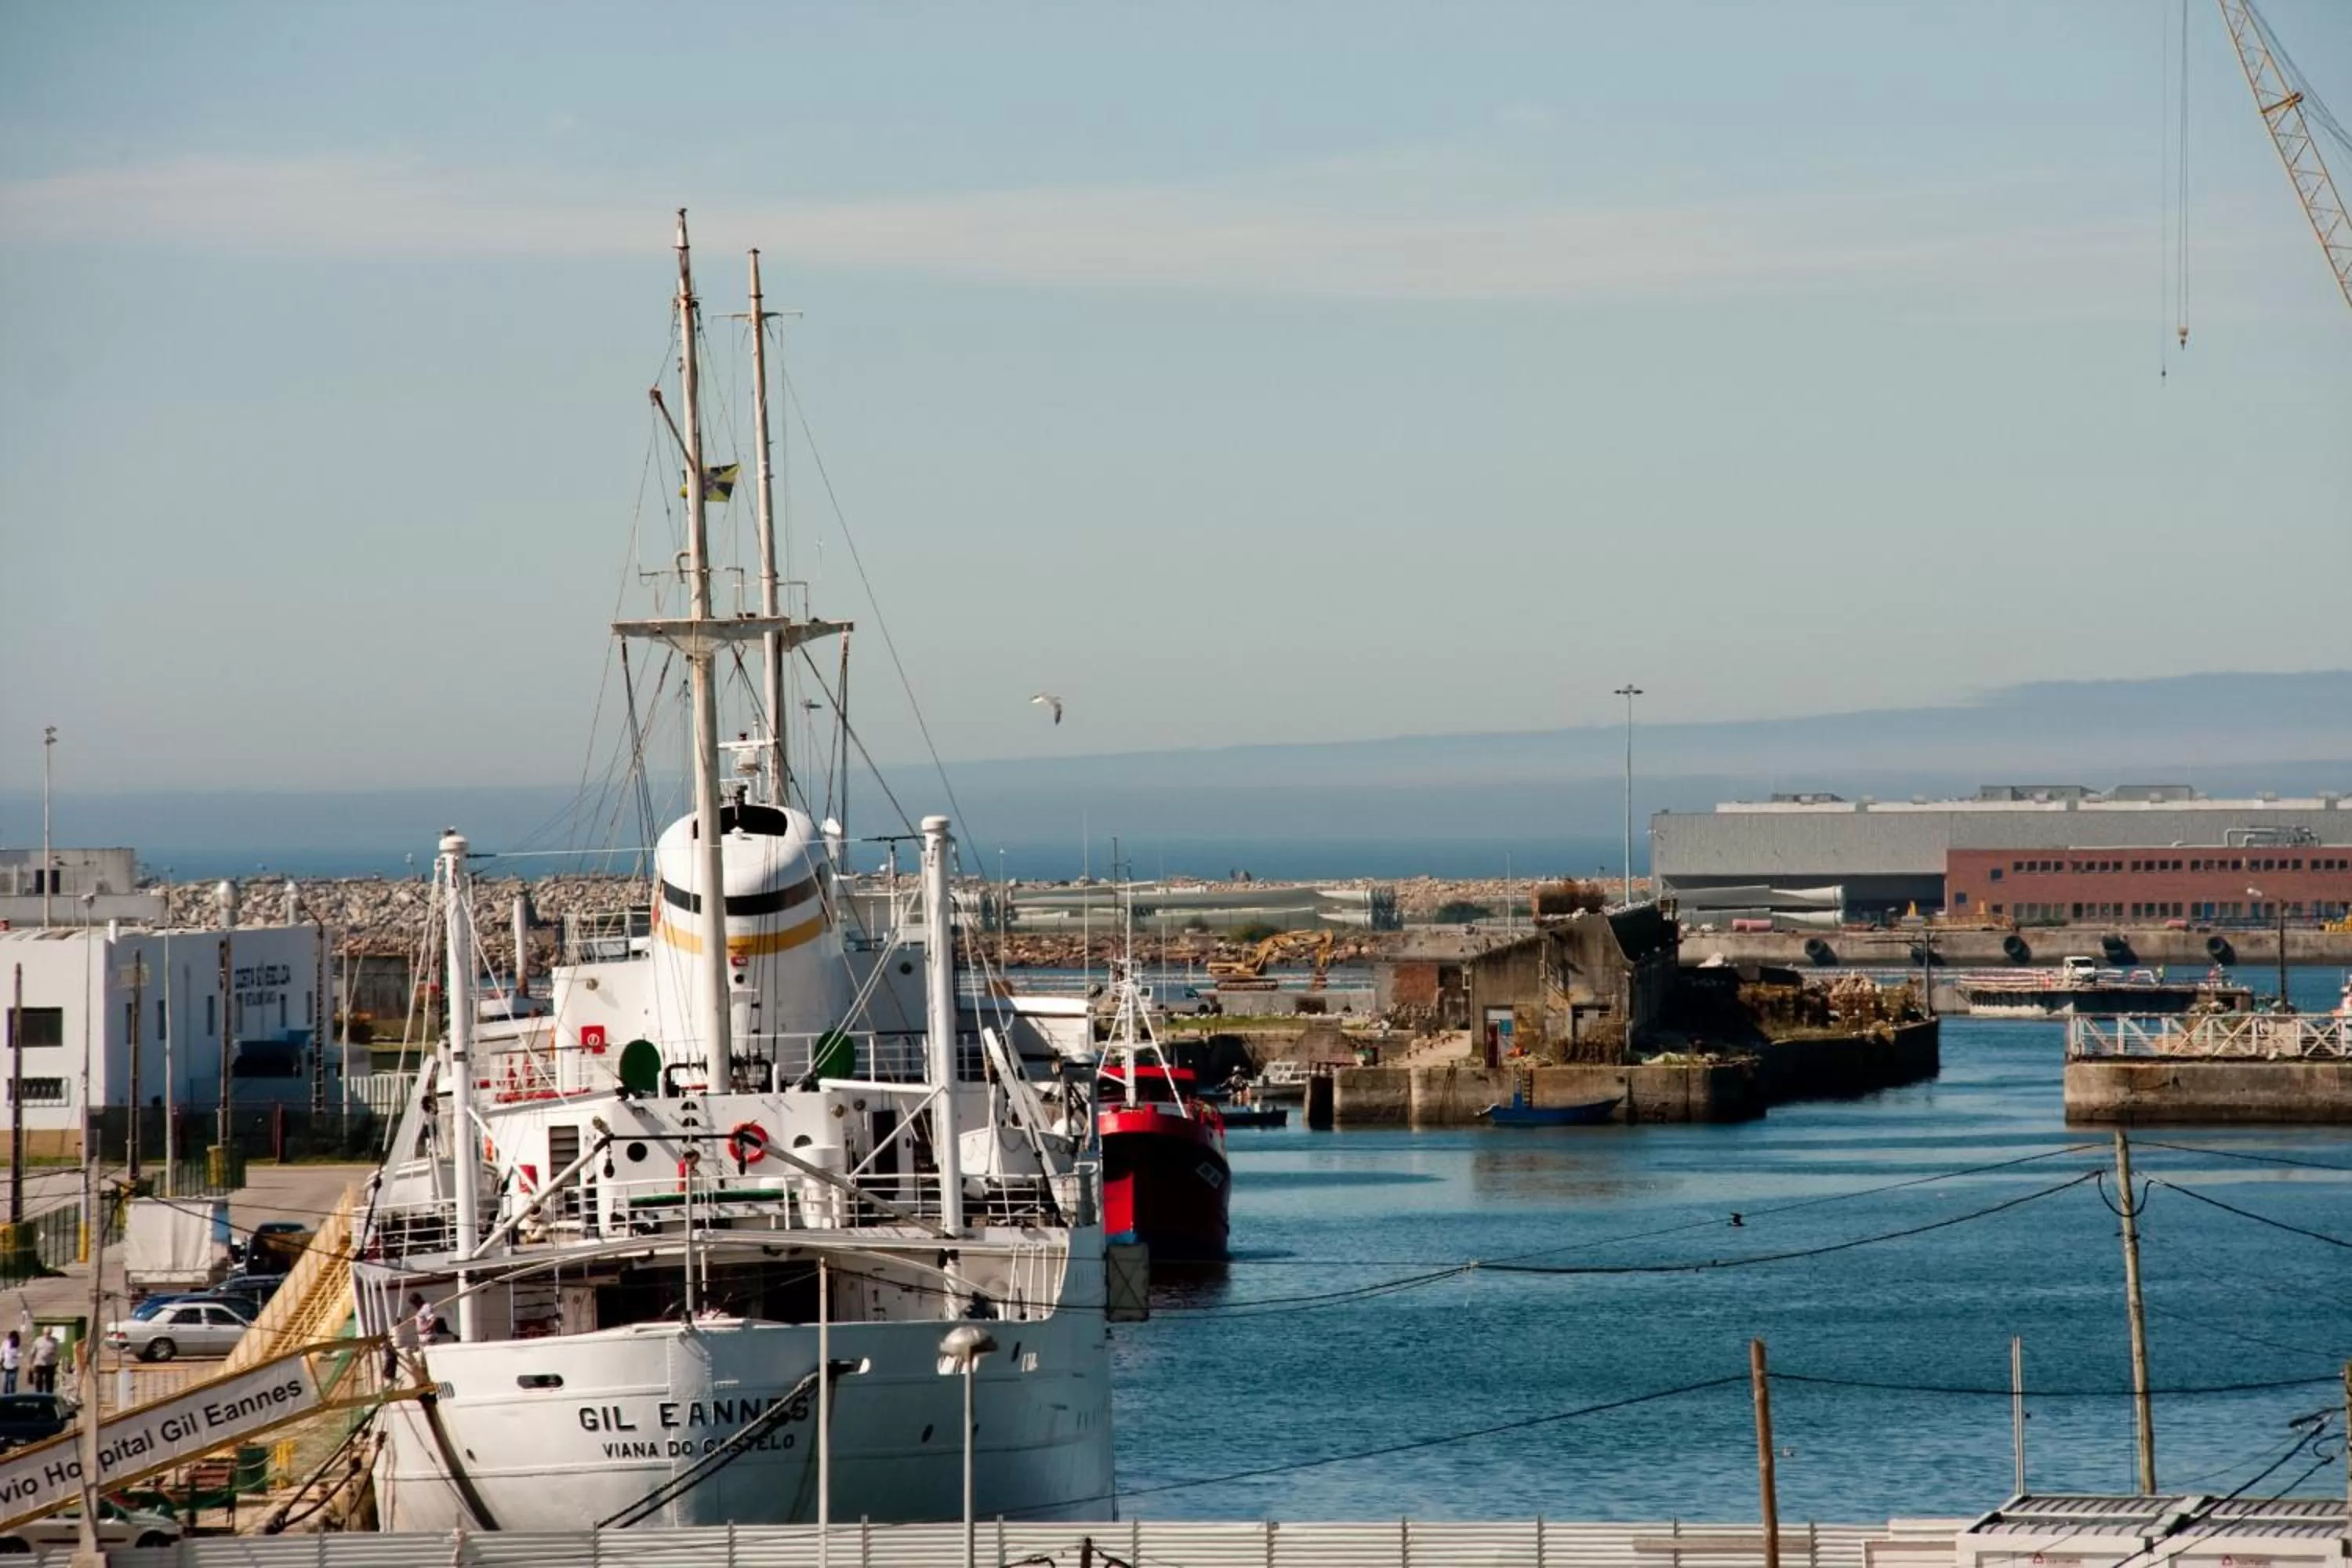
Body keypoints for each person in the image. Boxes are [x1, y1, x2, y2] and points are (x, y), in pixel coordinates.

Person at [27, 1327, 58, 1395]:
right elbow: (32, 1353)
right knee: (39, 1381)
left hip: (50, 1364)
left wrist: (53, 1353)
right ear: (43, 1333)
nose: (47, 1335)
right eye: (46, 1333)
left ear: (51, 1333)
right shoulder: (38, 1340)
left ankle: (49, 1398)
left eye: (49, 1333)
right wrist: (30, 1364)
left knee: (49, 1383)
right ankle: (39, 1396)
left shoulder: (54, 1341)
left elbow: (57, 1352)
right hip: (39, 1364)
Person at [2, 1330, 17, 1395]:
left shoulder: (17, 1344)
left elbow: (19, 1354)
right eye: (11, 1337)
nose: (12, 1339)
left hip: (14, 1366)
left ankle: (12, 1397)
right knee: (6, 1382)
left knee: (12, 1382)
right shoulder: (5, 1343)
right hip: (6, 1365)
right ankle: (5, 1398)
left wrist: (17, 1355)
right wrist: (1, 1362)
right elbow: (1, 1352)